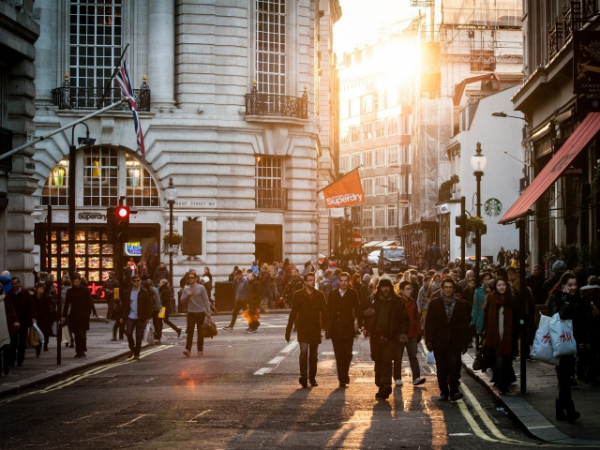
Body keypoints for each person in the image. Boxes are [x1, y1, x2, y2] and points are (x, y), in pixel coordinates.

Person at [363, 276, 409, 400]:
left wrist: (403, 333)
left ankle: (386, 385)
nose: (385, 289)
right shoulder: (372, 299)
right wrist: (365, 313)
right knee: (377, 360)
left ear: (391, 287)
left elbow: (404, 319)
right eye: (383, 287)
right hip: (375, 336)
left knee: (387, 361)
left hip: (390, 337)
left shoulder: (397, 301)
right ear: (379, 288)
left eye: (387, 286)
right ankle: (380, 384)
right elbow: (361, 311)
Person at [425, 276, 470, 401]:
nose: (448, 290)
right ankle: (444, 392)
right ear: (442, 289)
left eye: (451, 287)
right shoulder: (435, 303)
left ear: (454, 289)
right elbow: (429, 323)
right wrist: (428, 340)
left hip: (455, 342)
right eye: (446, 287)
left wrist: (465, 342)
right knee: (442, 368)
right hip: (439, 342)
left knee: (455, 366)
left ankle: (454, 391)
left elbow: (464, 324)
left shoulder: (460, 304)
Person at [548, 271, 583, 423]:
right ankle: (569, 410)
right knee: (566, 376)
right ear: (563, 285)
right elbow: (556, 316)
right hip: (560, 340)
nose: (573, 288)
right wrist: (566, 301)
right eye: (570, 285)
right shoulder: (556, 297)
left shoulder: (579, 298)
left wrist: (583, 340)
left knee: (566, 377)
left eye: (575, 285)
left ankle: (560, 409)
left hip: (573, 340)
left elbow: (581, 321)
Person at [285, 272, 330, 388]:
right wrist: (288, 329)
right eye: (309, 280)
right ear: (305, 282)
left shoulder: (319, 295)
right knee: (304, 352)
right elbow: (293, 312)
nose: (312, 281)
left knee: (313, 355)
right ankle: (304, 376)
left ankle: (312, 377)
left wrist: (328, 328)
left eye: (313, 280)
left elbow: (325, 312)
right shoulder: (298, 295)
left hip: (315, 327)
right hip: (303, 328)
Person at [481, 277, 518, 394]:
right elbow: (487, 319)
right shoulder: (492, 299)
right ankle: (502, 385)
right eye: (499, 285)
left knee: (507, 361)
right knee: (499, 360)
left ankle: (504, 382)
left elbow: (517, 318)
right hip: (495, 336)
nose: (502, 287)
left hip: (509, 335)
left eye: (503, 285)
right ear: (495, 287)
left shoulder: (511, 299)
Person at [326, 272, 361, 388]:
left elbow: (357, 309)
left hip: (348, 327)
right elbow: (328, 311)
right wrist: (327, 326)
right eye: (341, 280)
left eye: (346, 280)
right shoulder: (333, 293)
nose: (343, 283)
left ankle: (345, 373)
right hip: (336, 328)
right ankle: (342, 378)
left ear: (349, 281)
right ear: (338, 281)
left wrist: (361, 325)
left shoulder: (352, 293)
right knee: (338, 354)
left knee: (347, 353)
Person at [396, 280, 426, 386]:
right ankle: (397, 378)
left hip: (412, 334)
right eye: (407, 289)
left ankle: (416, 377)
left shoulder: (413, 302)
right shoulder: (397, 302)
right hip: (400, 335)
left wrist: (419, 332)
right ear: (402, 290)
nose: (410, 291)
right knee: (398, 357)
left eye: (411, 289)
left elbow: (416, 319)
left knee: (413, 356)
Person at [120, 275, 152, 361]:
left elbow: (148, 305)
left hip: (140, 317)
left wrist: (148, 317)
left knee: (138, 336)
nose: (136, 282)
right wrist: (122, 316)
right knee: (129, 333)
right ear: (131, 282)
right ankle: (132, 348)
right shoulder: (128, 292)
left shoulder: (144, 292)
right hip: (130, 316)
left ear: (140, 281)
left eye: (138, 281)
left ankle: (136, 354)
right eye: (134, 281)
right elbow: (125, 305)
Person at [61, 273, 94, 358]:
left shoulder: (86, 290)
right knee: (76, 334)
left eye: (77, 282)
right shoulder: (70, 291)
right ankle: (78, 351)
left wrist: (88, 313)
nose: (75, 283)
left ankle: (82, 350)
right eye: (74, 282)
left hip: (83, 315)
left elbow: (89, 303)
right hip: (74, 315)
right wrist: (64, 315)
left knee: (82, 334)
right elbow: (67, 304)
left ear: (80, 281)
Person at [180, 271, 212, 356]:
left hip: (200, 312)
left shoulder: (201, 288)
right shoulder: (186, 289)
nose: (190, 279)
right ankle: (188, 350)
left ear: (196, 279)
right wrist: (188, 295)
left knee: (200, 332)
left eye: (192, 278)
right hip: (191, 313)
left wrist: (208, 311)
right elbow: (182, 300)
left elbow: (206, 300)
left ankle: (200, 350)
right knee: (190, 332)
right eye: (189, 278)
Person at [7, 277, 36, 366]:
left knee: (22, 341)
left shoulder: (25, 293)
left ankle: (20, 360)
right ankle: (12, 360)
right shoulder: (10, 294)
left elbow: (31, 306)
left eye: (16, 283)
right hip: (13, 321)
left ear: (19, 283)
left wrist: (32, 317)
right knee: (13, 341)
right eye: (13, 284)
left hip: (24, 320)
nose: (14, 285)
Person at [0, 285, 19, 376]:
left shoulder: (6, 297)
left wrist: (16, 321)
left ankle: (6, 366)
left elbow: (11, 310)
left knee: (6, 348)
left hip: (5, 325)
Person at [32, 282, 53, 355]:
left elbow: (49, 310)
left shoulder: (46, 298)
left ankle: (45, 345)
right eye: (40, 288)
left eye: (42, 288)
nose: (41, 290)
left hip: (44, 317)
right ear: (37, 289)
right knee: (37, 334)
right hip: (36, 318)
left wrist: (51, 322)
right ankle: (38, 349)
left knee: (44, 332)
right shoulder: (33, 297)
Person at [141, 279, 162, 343]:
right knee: (157, 322)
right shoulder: (155, 289)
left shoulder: (149, 290)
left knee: (147, 322)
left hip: (153, 308)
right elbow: (158, 298)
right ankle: (158, 335)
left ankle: (146, 336)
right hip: (159, 307)